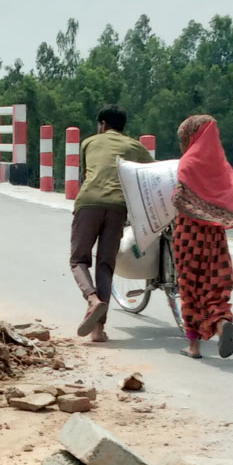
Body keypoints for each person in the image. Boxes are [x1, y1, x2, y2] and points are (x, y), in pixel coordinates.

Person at [170, 114, 233, 359]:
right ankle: (221, 321)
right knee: (215, 283)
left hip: (189, 235)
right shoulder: (222, 166)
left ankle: (193, 346)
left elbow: (179, 198)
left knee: (189, 286)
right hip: (215, 236)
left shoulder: (188, 162)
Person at [70, 105, 150, 341]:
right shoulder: (134, 146)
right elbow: (152, 173)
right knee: (105, 265)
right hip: (118, 208)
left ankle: (92, 299)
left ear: (102, 124)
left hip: (88, 203)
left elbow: (86, 175)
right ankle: (98, 330)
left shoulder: (89, 142)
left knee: (78, 259)